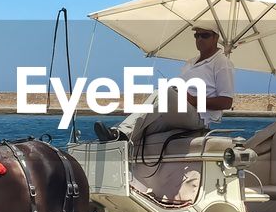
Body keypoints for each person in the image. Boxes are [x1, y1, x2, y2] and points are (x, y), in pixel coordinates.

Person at [94, 26, 235, 141]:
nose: (199, 39)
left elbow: (226, 102)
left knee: (162, 92)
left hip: (198, 116)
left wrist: (193, 100)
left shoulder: (222, 62)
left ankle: (119, 133)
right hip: (179, 111)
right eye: (196, 36)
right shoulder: (191, 62)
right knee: (141, 131)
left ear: (216, 38)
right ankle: (115, 138)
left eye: (204, 35)